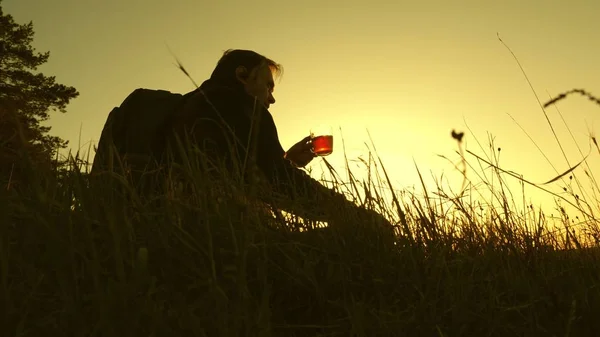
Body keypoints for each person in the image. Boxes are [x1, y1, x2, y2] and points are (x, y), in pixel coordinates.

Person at [163, 49, 395, 241]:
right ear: (242, 75)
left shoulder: (191, 107)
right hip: (236, 244)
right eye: (268, 86)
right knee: (374, 231)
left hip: (180, 236)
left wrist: (286, 160)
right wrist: (351, 212)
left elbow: (246, 176)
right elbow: (280, 182)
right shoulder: (245, 107)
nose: (271, 98)